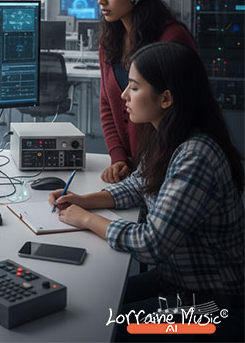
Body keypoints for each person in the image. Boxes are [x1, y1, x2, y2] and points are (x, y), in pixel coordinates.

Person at [49, 42, 244, 341]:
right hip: (176, 281)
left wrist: (86, 220)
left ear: (166, 98)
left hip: (210, 305)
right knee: (87, 306)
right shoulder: (168, 137)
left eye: (135, 87)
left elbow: (150, 243)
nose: (124, 95)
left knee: (98, 330)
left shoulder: (196, 155)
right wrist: (82, 201)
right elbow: (137, 185)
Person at [93, 0, 195, 183]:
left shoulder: (171, 38)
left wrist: (149, 168)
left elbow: (182, 112)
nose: (101, 0)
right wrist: (118, 156)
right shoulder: (108, 40)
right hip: (131, 169)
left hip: (168, 165)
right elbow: (108, 104)